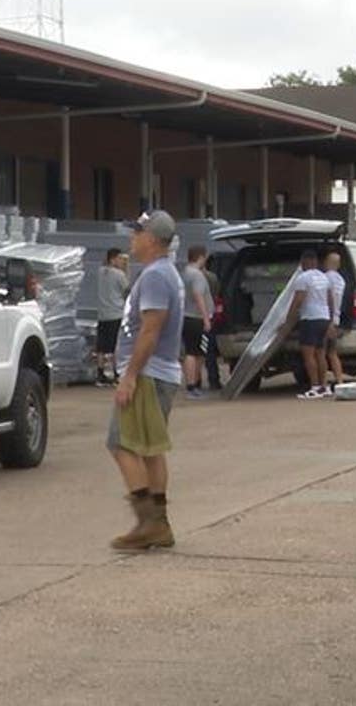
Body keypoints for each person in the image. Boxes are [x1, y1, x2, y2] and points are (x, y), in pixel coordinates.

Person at [107, 210, 184, 551]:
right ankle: (160, 522)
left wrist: (130, 377)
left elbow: (151, 330)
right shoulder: (165, 273)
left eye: (136, 233)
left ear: (151, 239)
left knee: (121, 444)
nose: (131, 239)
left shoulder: (155, 276)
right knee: (150, 450)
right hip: (158, 373)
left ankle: (147, 522)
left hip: (149, 374)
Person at [281, 251, 333, 400]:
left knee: (308, 355)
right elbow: (330, 300)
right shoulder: (324, 278)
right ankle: (324, 386)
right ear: (316, 262)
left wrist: (288, 319)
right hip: (323, 318)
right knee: (321, 353)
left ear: (304, 262)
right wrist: (330, 320)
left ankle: (314, 387)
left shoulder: (303, 279)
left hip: (310, 319)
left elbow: (298, 300)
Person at [181, 245, 213, 399]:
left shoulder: (185, 273)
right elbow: (198, 295)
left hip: (186, 316)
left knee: (191, 351)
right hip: (196, 318)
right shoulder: (197, 276)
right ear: (201, 256)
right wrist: (206, 317)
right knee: (196, 352)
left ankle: (193, 383)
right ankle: (193, 385)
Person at [96, 248, 130, 385]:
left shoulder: (100, 272)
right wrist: (126, 269)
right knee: (116, 345)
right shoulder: (119, 275)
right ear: (113, 259)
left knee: (101, 346)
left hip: (102, 313)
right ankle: (117, 373)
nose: (121, 261)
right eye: (119, 259)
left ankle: (100, 373)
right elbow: (128, 290)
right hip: (116, 313)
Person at [323, 251, 346, 393]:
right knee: (332, 353)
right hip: (336, 318)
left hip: (326, 318)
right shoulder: (341, 280)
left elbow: (326, 298)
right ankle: (340, 381)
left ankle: (323, 383)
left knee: (321, 353)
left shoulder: (325, 279)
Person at [203, 262, 224, 390]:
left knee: (196, 352)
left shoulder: (184, 277)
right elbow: (217, 294)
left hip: (191, 317)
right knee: (210, 350)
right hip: (209, 316)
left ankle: (195, 382)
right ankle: (214, 380)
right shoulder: (212, 277)